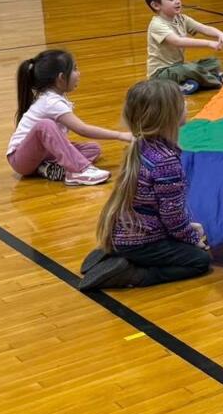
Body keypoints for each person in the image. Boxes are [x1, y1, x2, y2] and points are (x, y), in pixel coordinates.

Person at [77, 80, 213, 291]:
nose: (187, 105)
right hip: (143, 241)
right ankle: (134, 272)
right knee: (200, 261)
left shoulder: (141, 146)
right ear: (168, 115)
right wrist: (192, 238)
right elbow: (172, 216)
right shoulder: (166, 161)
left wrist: (188, 226)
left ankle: (115, 253)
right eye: (182, 102)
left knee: (187, 236)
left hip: (126, 233)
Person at [6, 49, 130, 186]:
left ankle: (45, 168)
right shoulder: (51, 102)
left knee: (93, 149)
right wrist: (120, 135)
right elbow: (82, 129)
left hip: (42, 155)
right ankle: (78, 171)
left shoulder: (55, 97)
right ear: (61, 78)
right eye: (75, 69)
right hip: (20, 160)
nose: (79, 73)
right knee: (45, 125)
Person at [145, 0, 223, 95]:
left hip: (178, 68)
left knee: (213, 62)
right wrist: (209, 43)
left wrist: (220, 34)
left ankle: (186, 84)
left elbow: (203, 28)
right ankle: (218, 80)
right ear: (156, 5)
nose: (178, 1)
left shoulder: (181, 19)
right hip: (160, 75)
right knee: (190, 69)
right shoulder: (157, 24)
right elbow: (178, 41)